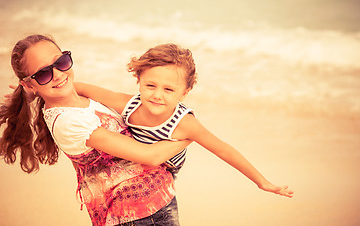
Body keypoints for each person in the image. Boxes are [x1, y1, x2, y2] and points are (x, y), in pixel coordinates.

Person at [0, 35, 192, 226]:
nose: (58, 74)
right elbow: (150, 156)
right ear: (29, 83)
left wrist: (28, 93)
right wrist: (189, 135)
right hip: (138, 216)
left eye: (61, 62)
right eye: (43, 73)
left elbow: (67, 85)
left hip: (148, 206)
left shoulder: (74, 95)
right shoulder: (70, 122)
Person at [76, 43, 294, 198]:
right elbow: (88, 90)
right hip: (134, 154)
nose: (157, 95)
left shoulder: (184, 123)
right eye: (150, 85)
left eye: (169, 89)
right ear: (138, 81)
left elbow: (224, 150)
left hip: (165, 168)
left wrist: (262, 182)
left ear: (184, 93)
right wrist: (48, 89)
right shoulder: (130, 104)